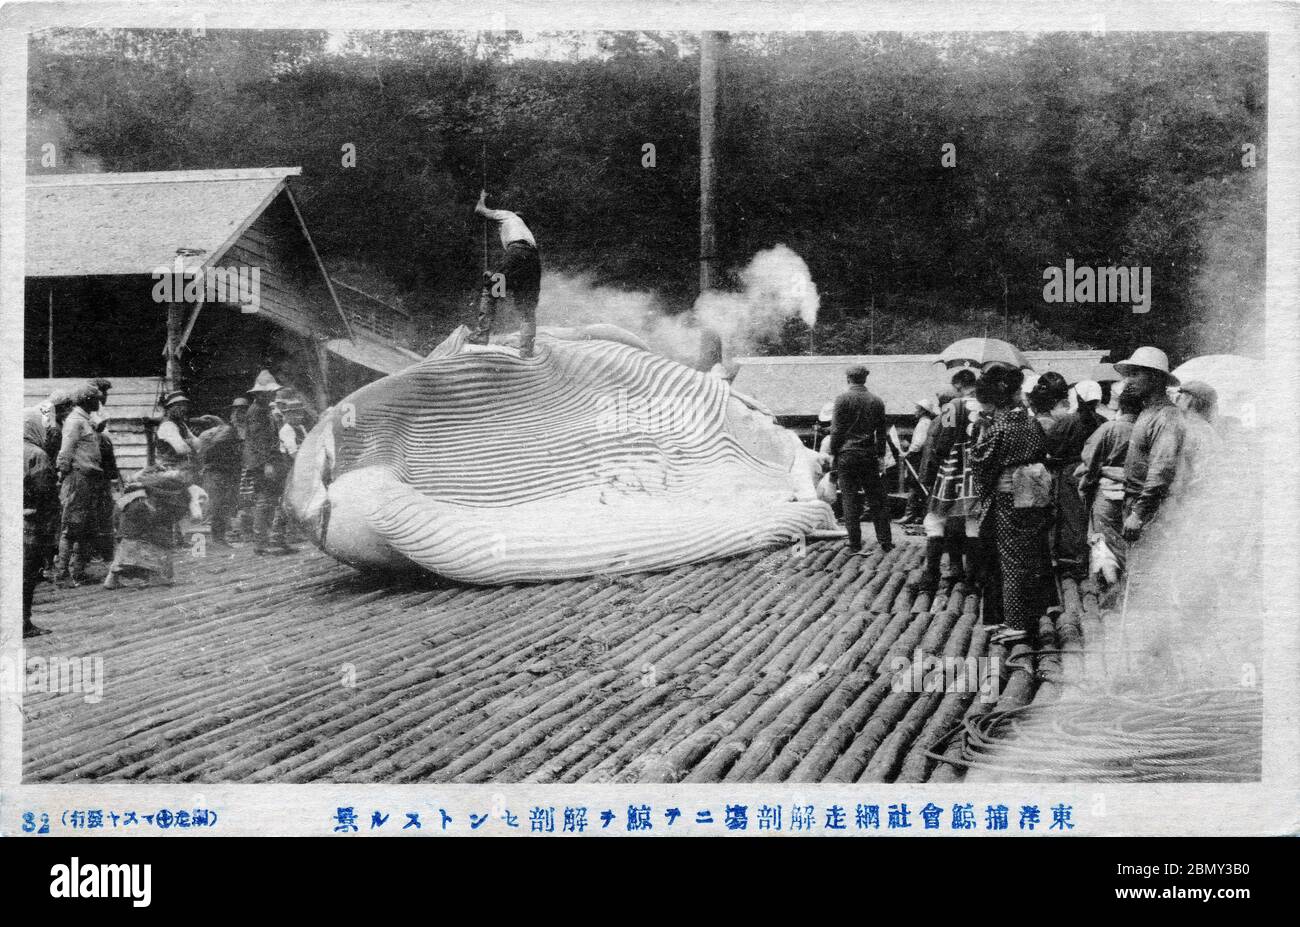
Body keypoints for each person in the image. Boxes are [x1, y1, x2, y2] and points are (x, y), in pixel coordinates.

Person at [968, 362, 1053, 647]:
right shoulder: (1029, 421)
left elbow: (980, 462)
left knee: (1011, 559)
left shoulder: (1000, 426)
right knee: (1027, 555)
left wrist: (980, 433)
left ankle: (1017, 623)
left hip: (1008, 496)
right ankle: (1025, 617)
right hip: (1033, 492)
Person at [1115, 347, 1188, 547]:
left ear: (1156, 378)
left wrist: (1139, 514)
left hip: (1152, 511)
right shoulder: (1148, 412)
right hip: (1137, 504)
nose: (1128, 381)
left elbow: (1162, 469)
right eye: (1128, 375)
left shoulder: (1166, 416)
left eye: (1136, 374)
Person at [916, 366, 980, 591]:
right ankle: (972, 579)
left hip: (954, 467)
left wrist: (935, 463)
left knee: (935, 519)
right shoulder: (986, 405)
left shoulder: (954, 406)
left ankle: (930, 577)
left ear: (959, 385)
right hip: (979, 469)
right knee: (974, 522)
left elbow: (942, 442)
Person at [1077, 385, 1142, 585]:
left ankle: (1111, 588)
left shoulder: (1109, 428)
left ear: (1120, 406)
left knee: (1103, 543)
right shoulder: (1145, 429)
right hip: (1137, 495)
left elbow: (1090, 460)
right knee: (1131, 544)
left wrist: (1087, 483)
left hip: (1107, 493)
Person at [1029, 372, 1089, 580]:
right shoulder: (1073, 419)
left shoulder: (1044, 422)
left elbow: (1050, 450)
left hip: (1050, 472)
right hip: (1068, 470)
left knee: (1052, 515)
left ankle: (1053, 558)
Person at [103, 470, 206, 589]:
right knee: (154, 542)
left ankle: (112, 579)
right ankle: (155, 576)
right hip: (141, 509)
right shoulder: (186, 495)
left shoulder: (167, 488)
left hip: (128, 506)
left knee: (128, 542)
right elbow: (191, 516)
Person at [827, 364, 893, 553]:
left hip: (847, 455)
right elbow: (881, 433)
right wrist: (880, 455)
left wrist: (834, 451)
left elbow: (837, 430)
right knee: (877, 499)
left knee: (849, 499)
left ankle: (854, 543)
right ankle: (885, 541)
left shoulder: (842, 399)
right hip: (868, 455)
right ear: (865, 379)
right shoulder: (877, 401)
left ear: (848, 379)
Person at [470, 190, 542, 358]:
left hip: (517, 254)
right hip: (533, 261)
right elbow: (513, 270)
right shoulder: (527, 233)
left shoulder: (509, 217)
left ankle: (481, 337)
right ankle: (526, 352)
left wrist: (481, 198)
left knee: (491, 291)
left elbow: (480, 210)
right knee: (527, 310)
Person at [53, 383, 105, 586]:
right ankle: (62, 574)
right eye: (95, 399)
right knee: (72, 526)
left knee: (87, 526)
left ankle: (78, 571)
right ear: (86, 400)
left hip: (89, 478)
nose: (98, 402)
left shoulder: (85, 420)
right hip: (78, 477)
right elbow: (65, 452)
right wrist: (63, 475)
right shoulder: (75, 421)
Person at [243, 370, 296, 555]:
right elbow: (259, 442)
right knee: (265, 501)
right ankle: (261, 544)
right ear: (259, 394)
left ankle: (275, 540)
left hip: (272, 460)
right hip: (264, 463)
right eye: (269, 393)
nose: (272, 395)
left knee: (277, 499)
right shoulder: (256, 412)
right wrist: (267, 464)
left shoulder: (265, 410)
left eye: (273, 393)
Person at [23, 414, 58, 637]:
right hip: (33, 523)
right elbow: (44, 491)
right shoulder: (37, 454)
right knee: (27, 574)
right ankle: (23, 622)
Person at [194, 414, 243, 548]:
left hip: (219, 473)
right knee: (217, 506)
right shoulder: (222, 435)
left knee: (220, 506)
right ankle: (217, 539)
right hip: (216, 474)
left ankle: (218, 538)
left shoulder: (208, 438)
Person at [900, 396, 939, 525]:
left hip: (918, 457)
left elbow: (918, 443)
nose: (915, 411)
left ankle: (910, 514)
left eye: (917, 409)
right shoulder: (926, 422)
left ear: (923, 411)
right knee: (919, 485)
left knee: (915, 484)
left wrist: (908, 453)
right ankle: (920, 515)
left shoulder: (923, 423)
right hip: (920, 456)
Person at [155, 390, 199, 474]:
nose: (183, 409)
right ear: (169, 408)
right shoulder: (167, 425)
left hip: (181, 465)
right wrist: (190, 442)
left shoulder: (181, 424)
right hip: (169, 467)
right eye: (178, 406)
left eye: (184, 405)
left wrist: (191, 442)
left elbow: (198, 443)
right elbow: (182, 449)